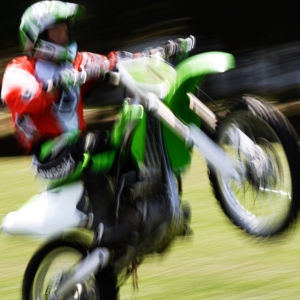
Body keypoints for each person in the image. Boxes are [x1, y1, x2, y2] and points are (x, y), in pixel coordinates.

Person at [1, 0, 190, 243]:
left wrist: (158, 52)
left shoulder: (76, 62)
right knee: (93, 144)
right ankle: (105, 228)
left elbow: (114, 61)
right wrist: (55, 84)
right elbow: (20, 96)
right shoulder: (20, 68)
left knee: (124, 143)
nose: (63, 35)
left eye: (65, 30)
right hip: (48, 157)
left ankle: (143, 210)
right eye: (56, 31)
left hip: (75, 146)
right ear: (36, 37)